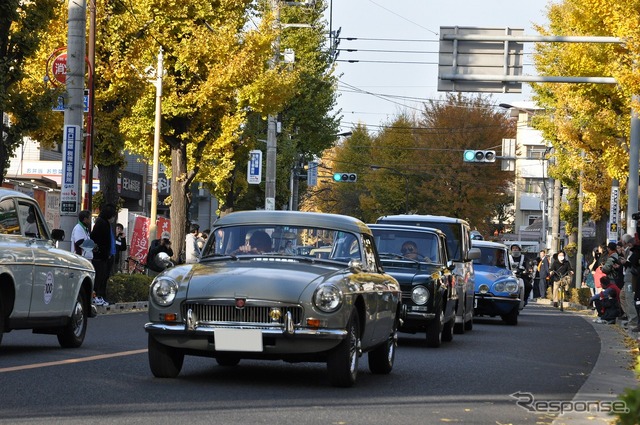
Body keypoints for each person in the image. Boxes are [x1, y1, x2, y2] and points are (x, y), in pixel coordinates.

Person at [90, 203, 117, 306]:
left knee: (104, 277)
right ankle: (98, 296)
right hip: (101, 256)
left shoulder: (105, 223)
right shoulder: (101, 223)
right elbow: (97, 239)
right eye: (113, 216)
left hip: (106, 255)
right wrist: (101, 251)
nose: (114, 218)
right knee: (100, 277)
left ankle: (101, 296)